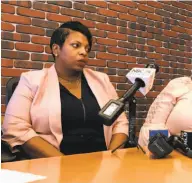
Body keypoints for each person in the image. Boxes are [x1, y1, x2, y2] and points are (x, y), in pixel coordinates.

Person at [2, 21, 128, 158]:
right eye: (76, 46)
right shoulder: (32, 81)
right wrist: (62, 162)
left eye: (87, 48)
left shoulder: (101, 80)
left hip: (102, 166)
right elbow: (15, 127)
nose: (83, 52)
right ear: (56, 49)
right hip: (52, 165)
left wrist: (111, 158)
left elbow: (120, 123)